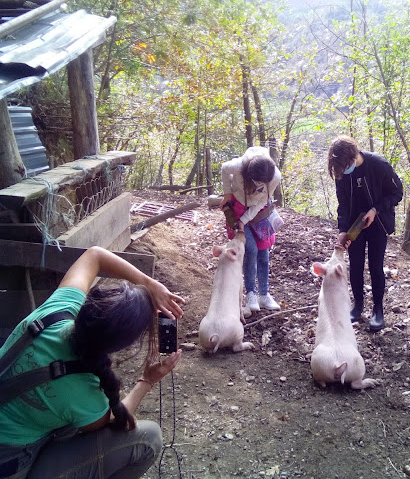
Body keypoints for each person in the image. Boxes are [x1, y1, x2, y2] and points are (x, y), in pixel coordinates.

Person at [0, 246, 185, 479]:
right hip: (10, 462)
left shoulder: (56, 310)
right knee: (149, 438)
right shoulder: (84, 394)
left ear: (88, 304)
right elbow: (114, 425)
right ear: (121, 346)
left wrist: (147, 283)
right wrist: (146, 381)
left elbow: (94, 255)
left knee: (68, 420)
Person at [328, 135, 403, 332]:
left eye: (345, 165)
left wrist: (375, 210)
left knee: (376, 266)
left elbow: (397, 193)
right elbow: (343, 204)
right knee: (356, 265)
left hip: (378, 222)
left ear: (353, 155)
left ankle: (378, 310)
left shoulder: (379, 165)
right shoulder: (342, 173)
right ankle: (358, 305)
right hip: (355, 226)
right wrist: (343, 230)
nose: (344, 170)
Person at [220, 146, 282, 312]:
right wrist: (227, 194)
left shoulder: (275, 176)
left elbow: (263, 201)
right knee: (251, 250)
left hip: (260, 212)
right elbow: (224, 169)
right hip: (238, 206)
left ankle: (264, 294)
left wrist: (245, 220)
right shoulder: (238, 166)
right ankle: (250, 293)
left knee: (263, 252)